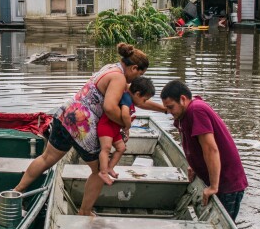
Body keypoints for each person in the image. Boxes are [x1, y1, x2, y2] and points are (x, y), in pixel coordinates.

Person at [13, 43, 166, 216]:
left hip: (65, 114)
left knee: (47, 158)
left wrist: (164, 109)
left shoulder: (111, 69)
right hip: (82, 125)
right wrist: (125, 125)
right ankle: (85, 211)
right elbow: (109, 107)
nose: (137, 80)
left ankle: (17, 192)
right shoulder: (120, 79)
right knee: (100, 170)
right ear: (134, 68)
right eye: (140, 74)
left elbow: (137, 100)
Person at [160, 80, 248, 221]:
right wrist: (194, 165)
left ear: (183, 99)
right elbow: (195, 144)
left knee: (222, 225)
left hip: (227, 183)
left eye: (171, 107)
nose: (168, 112)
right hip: (218, 180)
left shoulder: (196, 110)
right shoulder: (184, 114)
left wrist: (213, 186)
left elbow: (210, 149)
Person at [97, 76, 156, 180]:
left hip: (115, 129)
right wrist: (127, 126)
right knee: (106, 148)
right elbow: (125, 114)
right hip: (106, 126)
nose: (144, 103)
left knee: (121, 148)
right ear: (137, 94)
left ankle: (110, 168)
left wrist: (126, 130)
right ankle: (103, 172)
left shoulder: (130, 100)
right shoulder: (127, 98)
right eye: (144, 100)